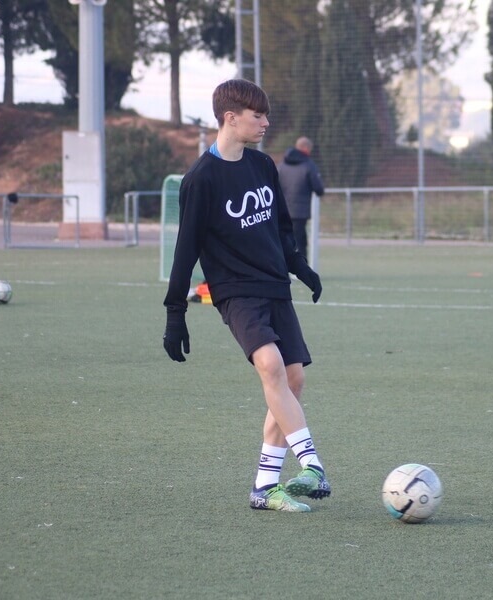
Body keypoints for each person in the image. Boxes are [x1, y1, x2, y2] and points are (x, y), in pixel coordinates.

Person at [162, 79, 329, 513]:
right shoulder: (200, 179)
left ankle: (264, 487)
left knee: (293, 382)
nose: (266, 123)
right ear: (230, 118)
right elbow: (186, 250)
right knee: (270, 365)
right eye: (258, 116)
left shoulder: (262, 165)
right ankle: (312, 465)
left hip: (274, 285)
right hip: (236, 292)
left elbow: (280, 227)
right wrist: (175, 312)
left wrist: (300, 267)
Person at [277, 136, 325, 258]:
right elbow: (318, 189)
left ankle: (283, 271)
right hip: (300, 212)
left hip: (281, 211)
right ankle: (302, 270)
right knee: (300, 242)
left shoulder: (281, 165)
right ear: (306, 148)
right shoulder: (309, 165)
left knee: (283, 241)